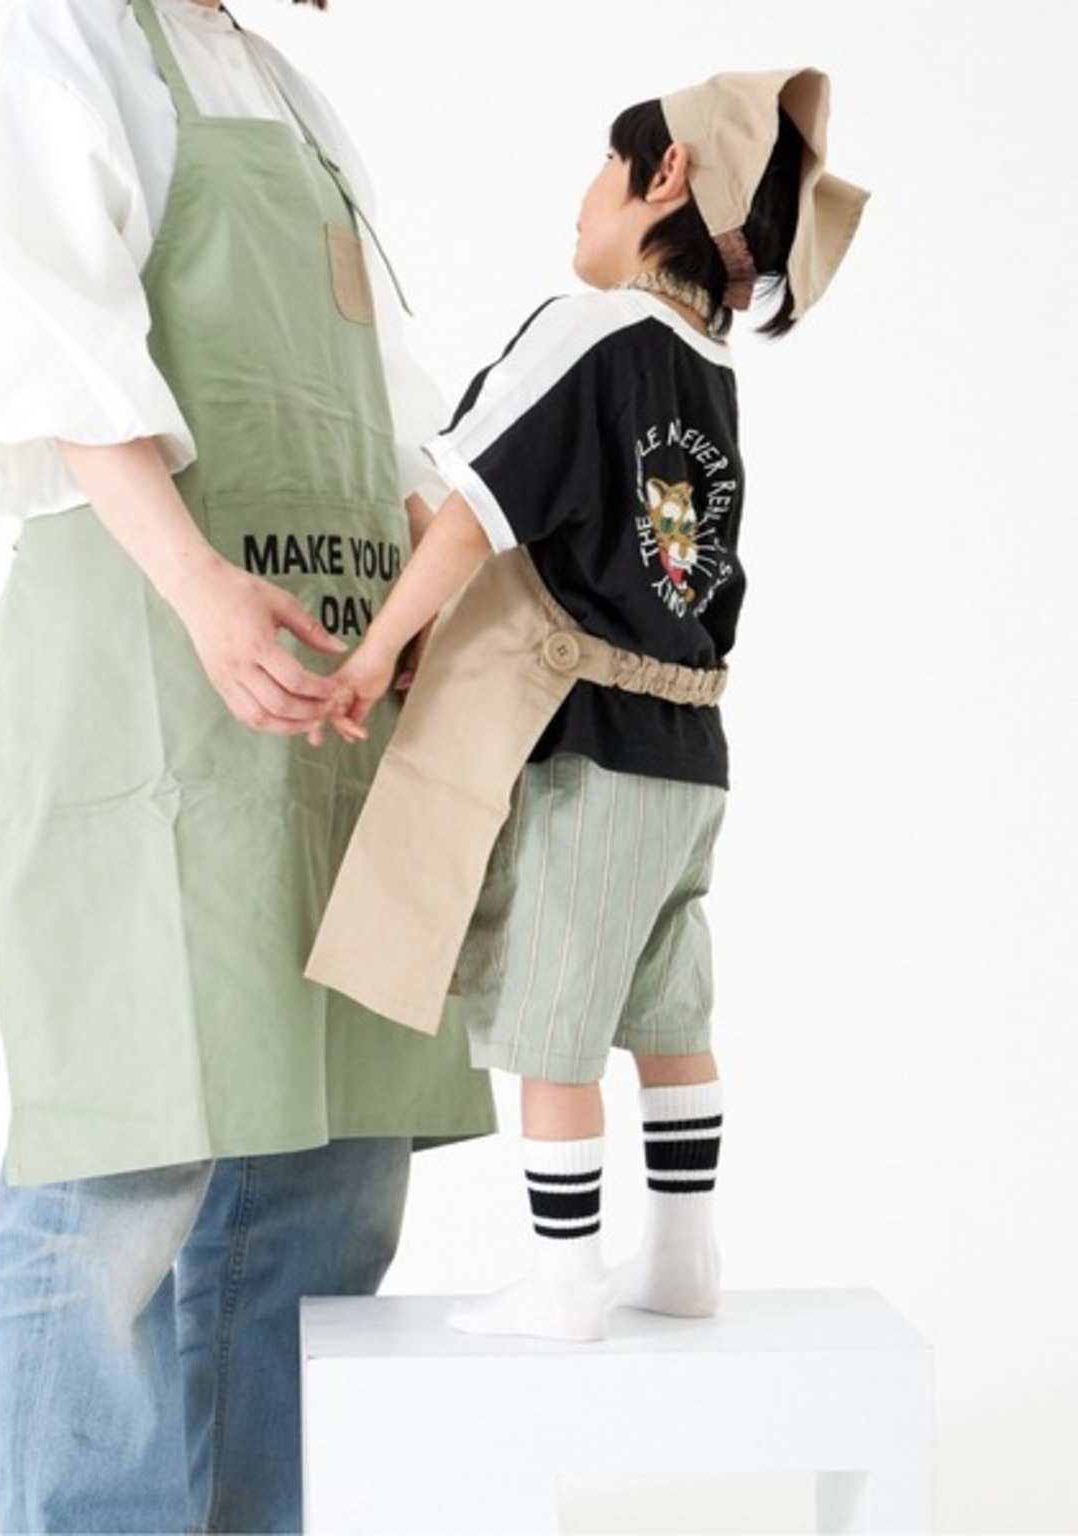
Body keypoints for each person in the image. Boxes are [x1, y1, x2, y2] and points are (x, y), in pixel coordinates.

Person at [0, 0, 494, 1530]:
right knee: (125, 1162)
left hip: (339, 684)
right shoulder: (60, 43)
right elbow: (49, 349)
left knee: (333, 1171)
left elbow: (386, 400)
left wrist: (420, 597)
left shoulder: (295, 100)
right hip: (152, 680)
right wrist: (195, 582)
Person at [308, 69, 868, 1343]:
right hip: (690, 754)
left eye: (602, 165)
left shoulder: (590, 330)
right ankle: (682, 1257)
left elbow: (469, 514)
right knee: (667, 1008)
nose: (582, 195)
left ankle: (564, 1276)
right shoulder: (706, 373)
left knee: (551, 1022)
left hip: (590, 752)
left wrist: (372, 654)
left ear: (662, 176)